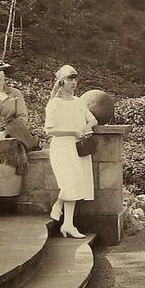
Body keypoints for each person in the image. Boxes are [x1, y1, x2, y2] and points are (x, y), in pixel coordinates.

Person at [44, 65, 97, 238]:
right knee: (70, 183)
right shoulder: (55, 103)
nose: (73, 83)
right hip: (62, 147)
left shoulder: (78, 101)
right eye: (69, 79)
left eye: (75, 79)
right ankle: (58, 205)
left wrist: (86, 127)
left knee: (76, 185)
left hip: (78, 147)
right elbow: (49, 130)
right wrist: (73, 131)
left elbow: (93, 120)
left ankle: (67, 224)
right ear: (61, 81)